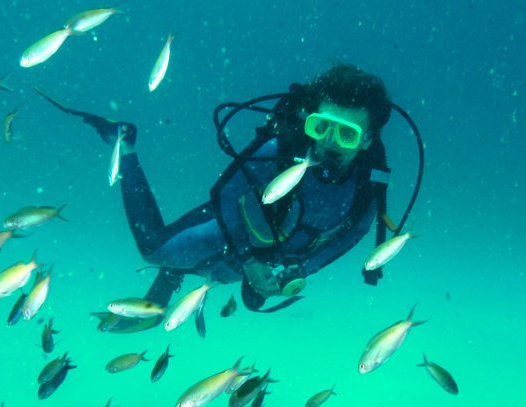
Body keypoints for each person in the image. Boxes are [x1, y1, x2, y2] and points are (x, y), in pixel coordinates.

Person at [39, 64, 398, 316]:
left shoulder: (369, 185)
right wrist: (250, 260)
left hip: (275, 251)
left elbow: (354, 234)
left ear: (367, 139)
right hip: (234, 228)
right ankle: (125, 143)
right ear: (310, 122)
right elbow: (225, 194)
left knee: (221, 275)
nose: (329, 142)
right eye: (321, 127)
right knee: (152, 248)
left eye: (347, 134)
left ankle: (178, 272)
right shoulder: (280, 151)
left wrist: (304, 268)